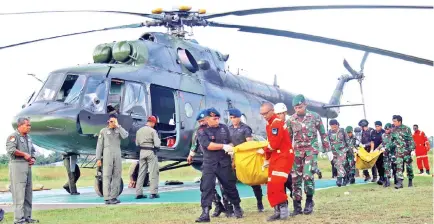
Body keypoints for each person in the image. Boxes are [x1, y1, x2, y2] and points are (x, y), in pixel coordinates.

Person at [287, 94, 333, 215]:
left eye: (300, 107)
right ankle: (297, 206)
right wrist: (287, 153)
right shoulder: (291, 119)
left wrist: (327, 149)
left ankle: (309, 201)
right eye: (296, 108)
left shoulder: (315, 116)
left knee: (307, 176)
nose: (298, 109)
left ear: (305, 105)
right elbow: (288, 138)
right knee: (295, 179)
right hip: (297, 151)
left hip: (311, 151)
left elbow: (323, 134)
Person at [195, 108, 243, 222]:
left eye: (218, 118)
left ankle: (237, 207)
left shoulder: (223, 128)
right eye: (214, 119)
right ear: (207, 119)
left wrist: (230, 147)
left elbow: (230, 141)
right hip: (209, 163)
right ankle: (205, 213)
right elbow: (208, 145)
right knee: (206, 187)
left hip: (223, 162)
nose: (217, 120)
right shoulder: (201, 130)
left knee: (230, 186)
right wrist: (223, 146)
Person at [257, 102, 294, 221]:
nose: (264, 116)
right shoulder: (270, 124)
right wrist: (268, 157)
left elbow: (274, 144)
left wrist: (264, 151)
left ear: (272, 111)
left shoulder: (276, 123)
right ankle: (277, 210)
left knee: (277, 183)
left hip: (283, 156)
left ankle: (283, 209)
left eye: (266, 113)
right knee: (271, 184)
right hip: (276, 156)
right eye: (262, 114)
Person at [187, 109, 228, 218]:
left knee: (224, 183)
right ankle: (218, 205)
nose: (201, 123)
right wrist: (191, 154)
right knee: (207, 184)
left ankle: (229, 207)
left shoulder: (220, 128)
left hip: (221, 159)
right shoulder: (199, 131)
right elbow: (195, 143)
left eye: (202, 121)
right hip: (206, 159)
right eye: (199, 122)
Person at [228, 108, 264, 213]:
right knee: (231, 181)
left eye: (234, 117)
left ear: (239, 117)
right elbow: (229, 142)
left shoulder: (245, 128)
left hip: (245, 157)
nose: (233, 119)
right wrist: (230, 148)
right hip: (234, 157)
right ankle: (235, 206)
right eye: (231, 118)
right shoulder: (229, 128)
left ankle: (259, 203)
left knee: (253, 180)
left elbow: (250, 143)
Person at [6, 117, 39, 223]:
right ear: (20, 125)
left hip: (27, 166)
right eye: (27, 125)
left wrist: (33, 158)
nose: (29, 127)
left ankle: (27, 216)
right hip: (17, 166)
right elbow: (11, 150)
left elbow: (33, 151)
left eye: (30, 125)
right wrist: (24, 154)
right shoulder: (13, 136)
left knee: (28, 192)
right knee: (19, 193)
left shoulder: (28, 138)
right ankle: (18, 219)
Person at [96, 114, 129, 204]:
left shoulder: (119, 130)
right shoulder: (103, 131)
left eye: (114, 121)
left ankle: (113, 196)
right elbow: (99, 146)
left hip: (117, 154)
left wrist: (118, 126)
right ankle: (107, 197)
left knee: (117, 175)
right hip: (107, 155)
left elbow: (125, 135)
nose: (112, 123)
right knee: (106, 175)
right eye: (111, 121)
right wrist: (98, 158)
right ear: (108, 122)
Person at [135, 116, 161, 199]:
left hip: (142, 152)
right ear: (153, 122)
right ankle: (153, 193)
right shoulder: (153, 131)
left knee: (141, 173)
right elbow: (157, 144)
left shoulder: (139, 131)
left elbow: (136, 143)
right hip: (150, 152)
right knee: (153, 172)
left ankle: (139, 193)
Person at [387, 115, 415, 189]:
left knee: (409, 167)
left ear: (399, 121)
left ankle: (410, 180)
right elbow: (391, 141)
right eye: (393, 121)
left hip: (407, 151)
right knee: (399, 167)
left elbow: (411, 140)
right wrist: (385, 148)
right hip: (398, 152)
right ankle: (400, 183)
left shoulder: (407, 129)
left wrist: (412, 149)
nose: (393, 123)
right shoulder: (393, 130)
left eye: (395, 121)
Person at [273, 103, 295, 197]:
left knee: (288, 179)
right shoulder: (274, 125)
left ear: (285, 113)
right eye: (277, 114)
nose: (278, 116)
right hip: (278, 157)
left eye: (280, 113)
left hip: (288, 156)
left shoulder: (291, 124)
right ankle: (283, 206)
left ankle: (295, 198)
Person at [328, 119, 350, 187]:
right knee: (337, 165)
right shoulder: (329, 132)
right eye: (332, 126)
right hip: (334, 151)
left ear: (337, 124)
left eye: (334, 125)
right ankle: (346, 178)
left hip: (342, 150)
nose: (333, 127)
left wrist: (348, 149)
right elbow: (327, 141)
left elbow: (348, 141)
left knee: (339, 164)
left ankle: (339, 179)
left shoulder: (342, 131)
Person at [370, 121, 386, 185]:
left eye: (378, 126)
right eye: (376, 126)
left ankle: (383, 177)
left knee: (383, 164)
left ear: (381, 126)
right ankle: (381, 176)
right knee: (378, 165)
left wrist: (377, 149)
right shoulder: (373, 132)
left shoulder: (383, 132)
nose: (377, 127)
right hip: (375, 152)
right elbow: (372, 141)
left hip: (382, 151)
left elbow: (383, 142)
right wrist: (371, 149)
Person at [380, 123, 394, 187]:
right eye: (385, 129)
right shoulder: (383, 135)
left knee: (394, 167)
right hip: (385, 153)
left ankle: (397, 180)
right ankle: (387, 180)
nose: (386, 130)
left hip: (393, 153)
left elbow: (393, 144)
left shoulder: (393, 135)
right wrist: (381, 148)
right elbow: (383, 143)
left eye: (387, 129)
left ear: (391, 129)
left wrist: (387, 147)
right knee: (386, 167)